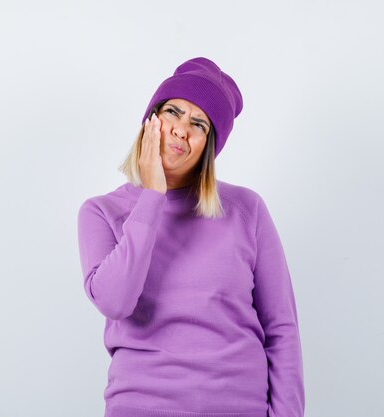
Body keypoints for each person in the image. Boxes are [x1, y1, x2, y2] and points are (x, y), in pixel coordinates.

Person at [76, 57, 305, 417]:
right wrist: (153, 196)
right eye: (173, 112)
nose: (181, 130)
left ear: (210, 146)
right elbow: (115, 302)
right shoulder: (101, 213)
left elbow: (281, 329)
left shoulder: (247, 210)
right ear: (151, 120)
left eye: (198, 123)